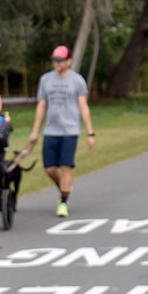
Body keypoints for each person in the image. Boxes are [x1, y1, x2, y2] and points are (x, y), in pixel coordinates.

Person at [29, 45, 95, 217]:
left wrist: (90, 132)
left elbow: (83, 107)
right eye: (54, 60)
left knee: (66, 166)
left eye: (60, 60)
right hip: (51, 130)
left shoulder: (77, 80)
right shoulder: (46, 80)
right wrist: (35, 131)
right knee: (49, 168)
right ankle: (65, 188)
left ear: (69, 61)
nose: (56, 63)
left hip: (70, 130)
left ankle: (63, 201)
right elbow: (41, 105)